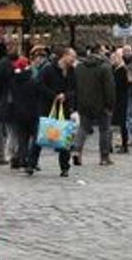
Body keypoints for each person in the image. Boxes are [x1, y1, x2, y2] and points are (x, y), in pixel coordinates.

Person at [28, 47, 76, 177]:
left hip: (64, 107)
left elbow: (74, 89)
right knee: (40, 135)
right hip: (47, 107)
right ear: (64, 56)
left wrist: (66, 95)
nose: (74, 59)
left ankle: (65, 167)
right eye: (72, 56)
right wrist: (53, 95)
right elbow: (38, 84)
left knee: (64, 137)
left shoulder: (72, 71)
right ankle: (31, 164)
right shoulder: (48, 69)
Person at [72, 46, 115, 166]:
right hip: (101, 105)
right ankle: (104, 157)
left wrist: (76, 104)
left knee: (83, 128)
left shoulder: (79, 68)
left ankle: (76, 150)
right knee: (104, 129)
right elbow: (109, 89)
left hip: (84, 104)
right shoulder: (105, 68)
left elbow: (75, 87)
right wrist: (110, 105)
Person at [111, 50, 131, 154]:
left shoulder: (122, 70)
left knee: (122, 123)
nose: (112, 61)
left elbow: (121, 85)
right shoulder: (114, 69)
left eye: (114, 59)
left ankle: (124, 144)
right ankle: (116, 144)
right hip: (116, 99)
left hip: (121, 99)